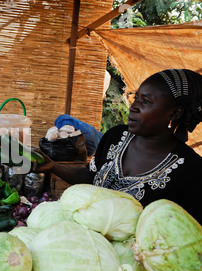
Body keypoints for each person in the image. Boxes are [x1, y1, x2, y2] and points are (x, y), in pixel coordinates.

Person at [35, 69, 202, 223]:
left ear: (175, 113)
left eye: (145, 101)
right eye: (136, 98)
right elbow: (91, 175)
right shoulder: (116, 136)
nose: (134, 107)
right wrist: (53, 166)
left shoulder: (192, 171)